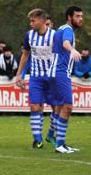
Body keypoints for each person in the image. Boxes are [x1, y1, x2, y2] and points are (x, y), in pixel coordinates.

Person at [14, 9, 58, 149]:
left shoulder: (55, 35)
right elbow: (25, 55)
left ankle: (51, 134)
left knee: (56, 108)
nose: (31, 23)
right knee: (35, 106)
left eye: (33, 20)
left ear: (43, 21)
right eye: (30, 20)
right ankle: (37, 139)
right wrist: (19, 75)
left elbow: (62, 56)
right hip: (36, 77)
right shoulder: (29, 35)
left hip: (52, 77)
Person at [49, 6, 84, 154]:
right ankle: (59, 144)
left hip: (58, 72)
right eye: (77, 16)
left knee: (61, 107)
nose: (80, 19)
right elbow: (65, 43)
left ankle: (58, 141)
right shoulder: (68, 30)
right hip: (60, 72)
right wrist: (73, 50)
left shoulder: (62, 29)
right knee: (67, 107)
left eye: (81, 16)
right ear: (69, 17)